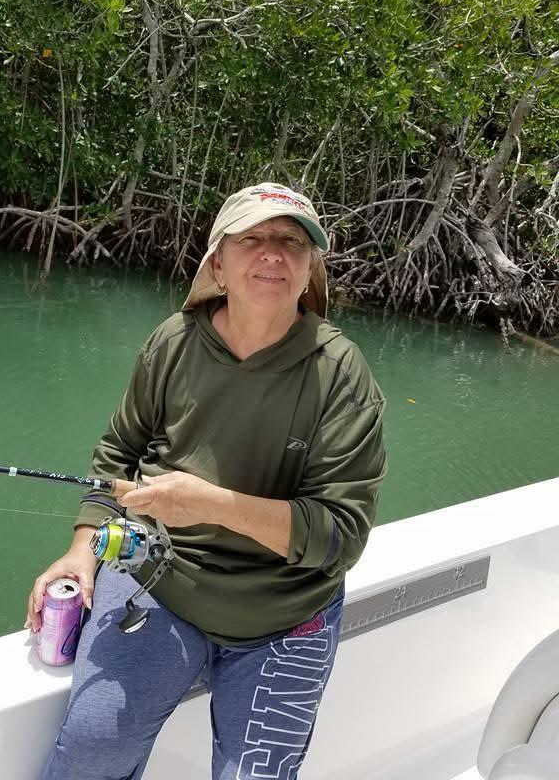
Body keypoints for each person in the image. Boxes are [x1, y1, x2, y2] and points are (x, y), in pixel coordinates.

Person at [27, 181, 387, 780]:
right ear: (218, 261)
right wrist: (82, 545)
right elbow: (119, 451)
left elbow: (340, 537)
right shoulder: (173, 342)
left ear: (309, 271)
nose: (273, 253)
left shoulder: (341, 375)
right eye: (254, 239)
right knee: (92, 748)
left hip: (286, 611)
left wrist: (213, 504)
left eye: (292, 243)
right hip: (159, 582)